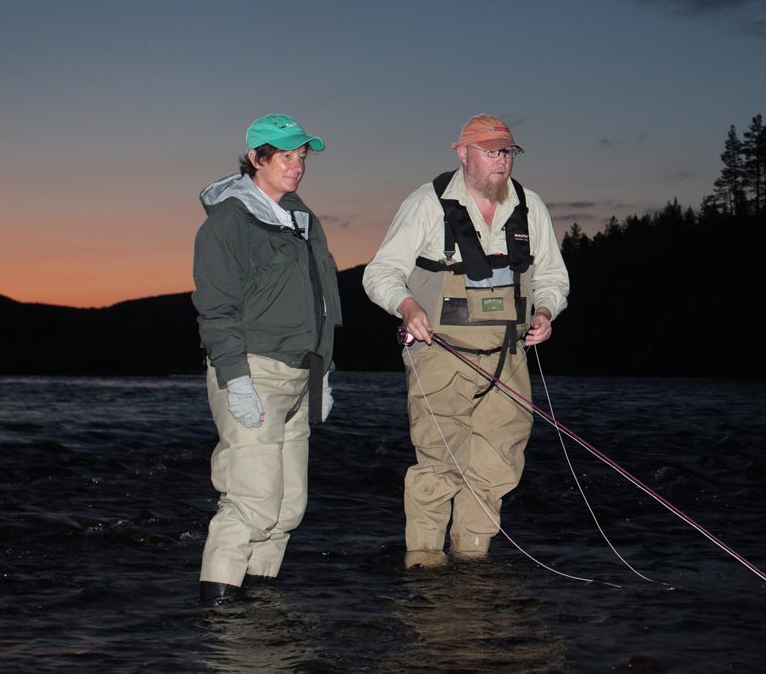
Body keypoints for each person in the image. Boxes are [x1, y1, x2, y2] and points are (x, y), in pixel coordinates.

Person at [363, 114, 569, 568]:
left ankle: (473, 565)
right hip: (440, 351)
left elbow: (552, 276)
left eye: (508, 152)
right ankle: (424, 567)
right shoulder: (427, 203)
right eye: (491, 151)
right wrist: (407, 307)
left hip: (509, 358)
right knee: (440, 464)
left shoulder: (530, 205)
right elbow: (379, 273)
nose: (502, 161)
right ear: (462, 154)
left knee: (498, 464)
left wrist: (545, 310)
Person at [192, 114, 342, 606]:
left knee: (288, 507)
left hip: (301, 376)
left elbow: (323, 302)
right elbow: (216, 310)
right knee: (252, 500)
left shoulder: (304, 220)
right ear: (257, 158)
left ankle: (258, 606)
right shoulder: (227, 223)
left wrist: (323, 373)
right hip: (252, 372)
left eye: (302, 156)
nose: (297, 165)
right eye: (285, 156)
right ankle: (217, 615)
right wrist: (235, 379)